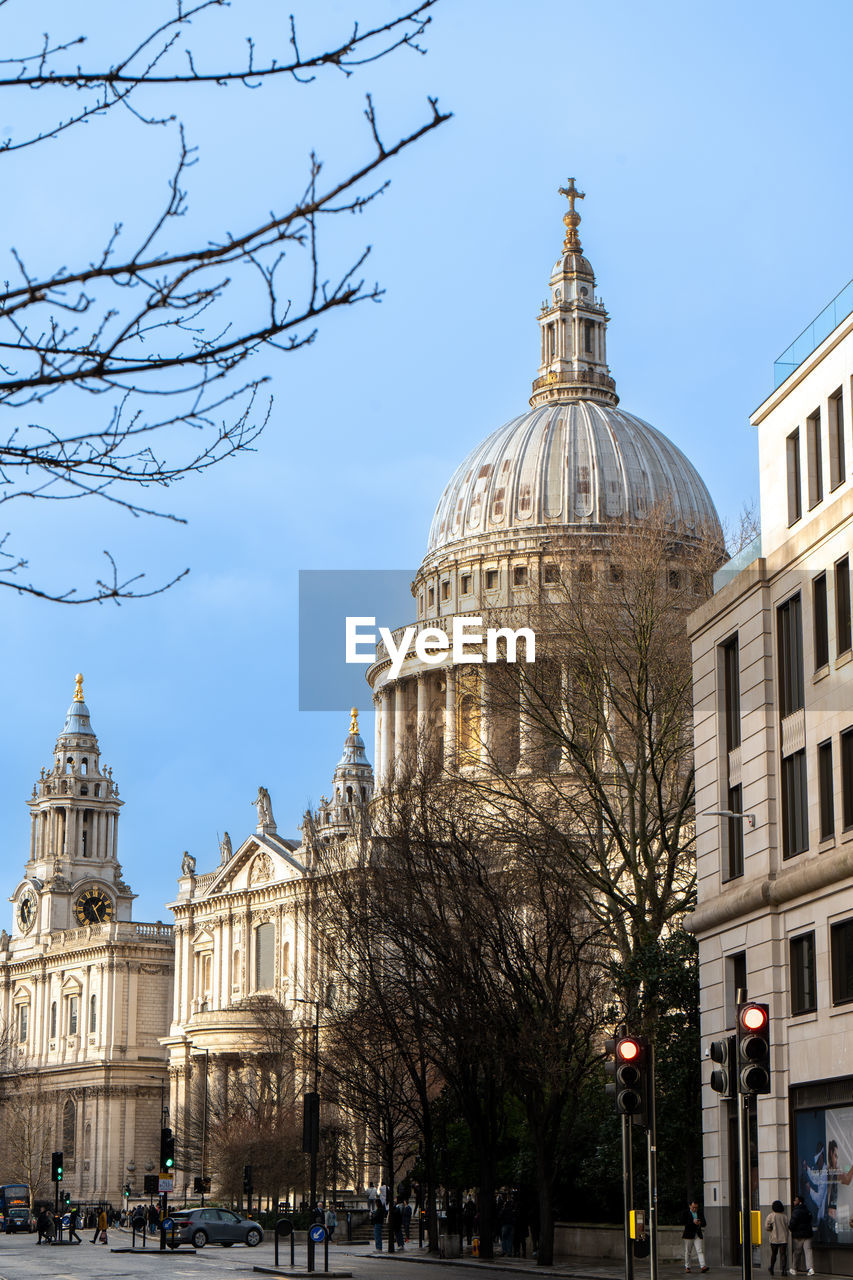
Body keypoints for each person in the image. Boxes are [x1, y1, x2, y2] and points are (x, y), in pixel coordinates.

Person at [790, 1195, 815, 1276]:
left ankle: (794, 1268)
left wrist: (791, 1229)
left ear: (799, 1202)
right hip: (807, 1234)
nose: (794, 1202)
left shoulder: (796, 1211)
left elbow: (792, 1223)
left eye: (795, 1200)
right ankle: (810, 1269)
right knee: (808, 1251)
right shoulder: (807, 1210)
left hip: (798, 1235)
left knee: (797, 1252)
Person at [682, 1199, 709, 1273]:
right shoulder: (686, 1213)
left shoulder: (699, 1212)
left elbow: (704, 1223)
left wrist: (699, 1223)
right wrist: (693, 1222)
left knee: (700, 1250)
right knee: (688, 1252)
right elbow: (683, 1222)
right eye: (693, 1207)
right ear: (690, 1206)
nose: (695, 1209)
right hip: (688, 1235)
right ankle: (687, 1267)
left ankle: (703, 1266)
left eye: (696, 1207)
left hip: (697, 1234)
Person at [765, 1199, 789, 1276]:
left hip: (774, 1238)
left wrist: (770, 1229)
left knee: (774, 1254)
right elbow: (788, 1226)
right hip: (784, 1238)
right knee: (783, 1254)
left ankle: (771, 1267)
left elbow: (767, 1227)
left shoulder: (771, 1216)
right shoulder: (784, 1216)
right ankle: (784, 1270)